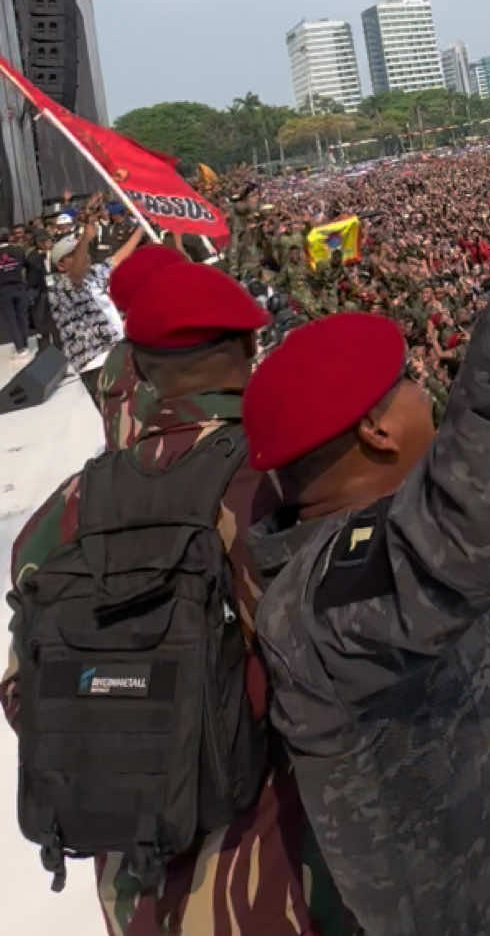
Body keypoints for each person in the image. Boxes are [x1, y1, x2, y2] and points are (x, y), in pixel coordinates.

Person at [243, 48, 490, 936]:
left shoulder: (340, 563)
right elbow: (477, 491)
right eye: (414, 382)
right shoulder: (323, 598)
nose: (434, 390)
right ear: (377, 432)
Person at [2, 256, 358, 935]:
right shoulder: (279, 495)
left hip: (134, 891)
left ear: (136, 369)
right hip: (277, 883)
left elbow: (25, 695)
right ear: (251, 349)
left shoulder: (57, 518)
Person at [47, 219, 146, 386]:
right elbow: (76, 274)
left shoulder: (93, 273)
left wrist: (143, 225)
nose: (83, 254)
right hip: (95, 362)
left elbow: (119, 256)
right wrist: (85, 240)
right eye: (73, 254)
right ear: (61, 266)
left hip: (119, 353)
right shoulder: (60, 286)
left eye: (81, 251)